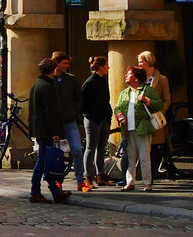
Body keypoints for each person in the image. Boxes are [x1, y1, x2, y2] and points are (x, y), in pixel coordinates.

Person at [27, 58, 69, 204]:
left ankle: (55, 192)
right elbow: (50, 112)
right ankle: (35, 191)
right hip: (45, 130)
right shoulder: (46, 86)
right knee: (43, 160)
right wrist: (56, 131)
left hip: (39, 129)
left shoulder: (36, 84)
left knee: (46, 161)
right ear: (53, 70)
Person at [114, 65, 161, 191]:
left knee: (144, 157)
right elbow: (117, 107)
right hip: (128, 129)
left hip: (143, 128)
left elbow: (159, 104)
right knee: (130, 157)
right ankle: (130, 182)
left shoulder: (147, 90)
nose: (125, 76)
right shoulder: (124, 92)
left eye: (128, 74)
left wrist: (146, 100)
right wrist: (120, 116)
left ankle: (147, 183)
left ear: (136, 77)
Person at [51, 51, 85, 192]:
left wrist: (74, 112)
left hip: (70, 121)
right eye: (64, 63)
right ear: (56, 64)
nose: (67, 66)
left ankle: (80, 181)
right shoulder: (49, 80)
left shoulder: (71, 79)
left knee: (77, 150)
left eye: (68, 63)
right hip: (55, 122)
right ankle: (58, 181)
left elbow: (79, 99)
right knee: (57, 153)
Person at [78, 56, 112, 191]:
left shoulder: (102, 81)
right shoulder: (90, 82)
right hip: (93, 118)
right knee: (90, 147)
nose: (108, 67)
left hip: (103, 117)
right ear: (100, 66)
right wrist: (88, 115)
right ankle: (88, 176)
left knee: (101, 147)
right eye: (107, 65)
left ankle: (101, 176)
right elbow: (83, 102)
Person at [138, 50, 171, 175]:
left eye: (141, 61)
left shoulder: (162, 79)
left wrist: (160, 113)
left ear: (148, 62)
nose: (139, 64)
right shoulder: (139, 78)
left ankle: (153, 172)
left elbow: (167, 99)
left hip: (154, 117)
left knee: (155, 145)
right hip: (141, 117)